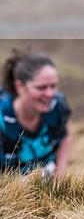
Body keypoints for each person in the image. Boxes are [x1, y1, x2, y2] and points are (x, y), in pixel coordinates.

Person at [1, 49, 72, 178]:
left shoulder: (58, 107)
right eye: (42, 87)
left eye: (53, 86)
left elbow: (65, 137)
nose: (50, 94)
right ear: (19, 86)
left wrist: (59, 180)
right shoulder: (2, 121)